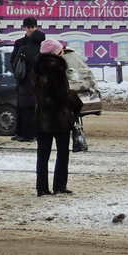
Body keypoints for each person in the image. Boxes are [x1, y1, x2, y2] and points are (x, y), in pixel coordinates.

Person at [32, 39, 82, 196]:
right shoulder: (57, 69)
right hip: (58, 117)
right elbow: (63, 94)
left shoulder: (36, 69)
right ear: (55, 52)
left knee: (43, 155)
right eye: (61, 50)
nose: (62, 53)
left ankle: (42, 187)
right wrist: (77, 104)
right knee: (62, 153)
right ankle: (59, 186)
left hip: (42, 117)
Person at [9, 16, 44, 142]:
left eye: (32, 27)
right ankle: (20, 132)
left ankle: (29, 133)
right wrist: (19, 74)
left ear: (36, 27)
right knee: (20, 108)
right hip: (23, 80)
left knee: (30, 108)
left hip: (33, 82)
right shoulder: (20, 43)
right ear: (24, 28)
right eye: (28, 27)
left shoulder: (40, 44)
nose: (30, 29)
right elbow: (13, 61)